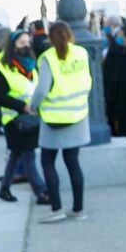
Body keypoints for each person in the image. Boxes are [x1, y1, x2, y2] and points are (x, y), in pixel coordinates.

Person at [31, 20, 93, 222]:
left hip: (53, 117)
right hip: (77, 115)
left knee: (47, 161)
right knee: (73, 162)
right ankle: (78, 209)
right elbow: (88, 80)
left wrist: (33, 106)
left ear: (50, 38)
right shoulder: (81, 53)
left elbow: (42, 89)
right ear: (70, 34)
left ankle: (56, 207)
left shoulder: (47, 58)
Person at [0, 30, 52, 205]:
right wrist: (22, 106)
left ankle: (4, 189)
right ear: (13, 46)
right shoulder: (3, 68)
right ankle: (41, 192)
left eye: (28, 42)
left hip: (29, 118)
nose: (26, 46)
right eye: (21, 43)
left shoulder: (32, 66)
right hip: (14, 120)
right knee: (28, 156)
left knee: (16, 154)